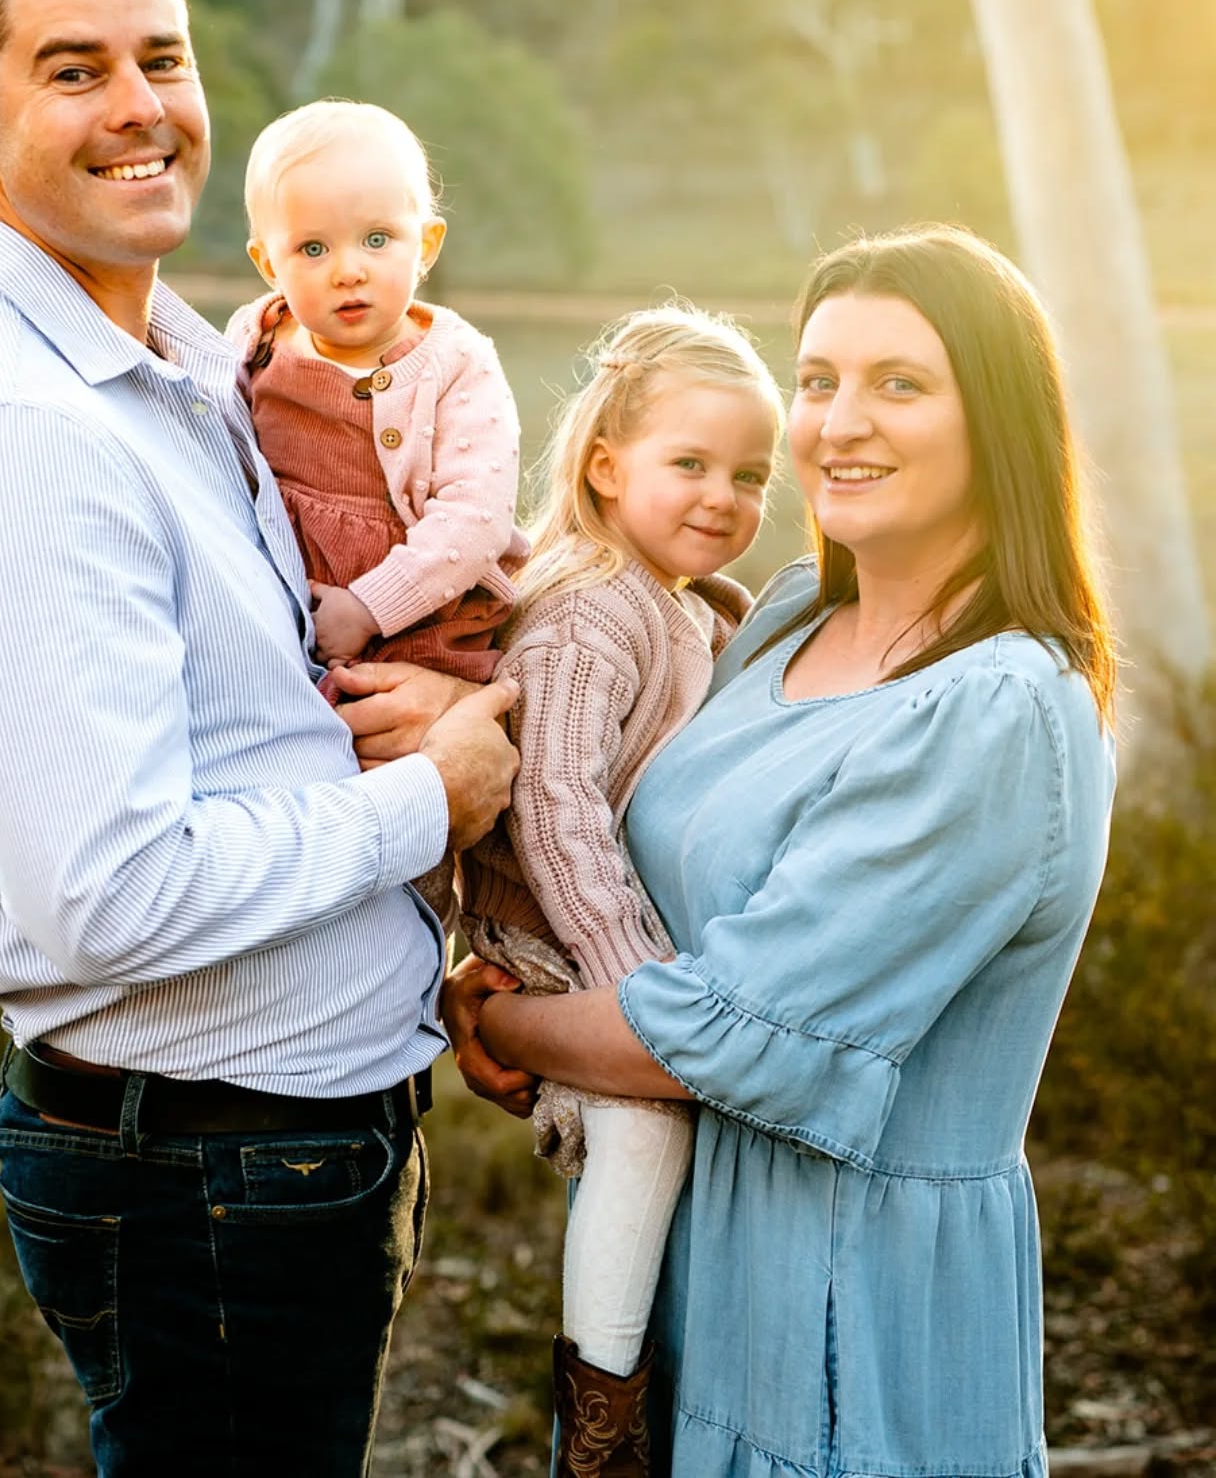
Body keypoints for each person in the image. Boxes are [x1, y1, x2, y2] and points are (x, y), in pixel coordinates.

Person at [0, 0, 518, 1478]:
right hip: (208, 1168)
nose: (143, 106)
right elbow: (109, 888)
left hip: (271, 1148)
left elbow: (260, 704)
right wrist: (431, 799)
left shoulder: (194, 361)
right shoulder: (24, 433)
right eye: (74, 69)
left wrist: (421, 714)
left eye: (164, 56)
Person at [445, 226, 1118, 1478]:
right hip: (692, 1273)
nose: (839, 421)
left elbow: (735, 1033)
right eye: (818, 379)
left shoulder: (995, 708)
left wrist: (501, 1021)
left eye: (899, 382)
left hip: (852, 1303)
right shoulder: (787, 616)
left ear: (999, 421)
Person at [458, 305, 783, 1464]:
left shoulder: (686, 601)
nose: (723, 496)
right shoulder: (587, 609)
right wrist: (633, 983)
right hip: (553, 922)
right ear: (605, 466)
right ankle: (599, 1418)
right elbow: (556, 810)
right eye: (689, 463)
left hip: (610, 922)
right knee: (645, 1122)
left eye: (751, 474)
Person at [227, 99, 527, 685]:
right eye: (313, 249)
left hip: (418, 618)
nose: (348, 271)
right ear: (268, 264)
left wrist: (369, 608)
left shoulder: (455, 361)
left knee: (392, 721)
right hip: (279, 599)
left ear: (426, 245)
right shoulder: (254, 339)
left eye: (377, 238)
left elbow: (476, 519)